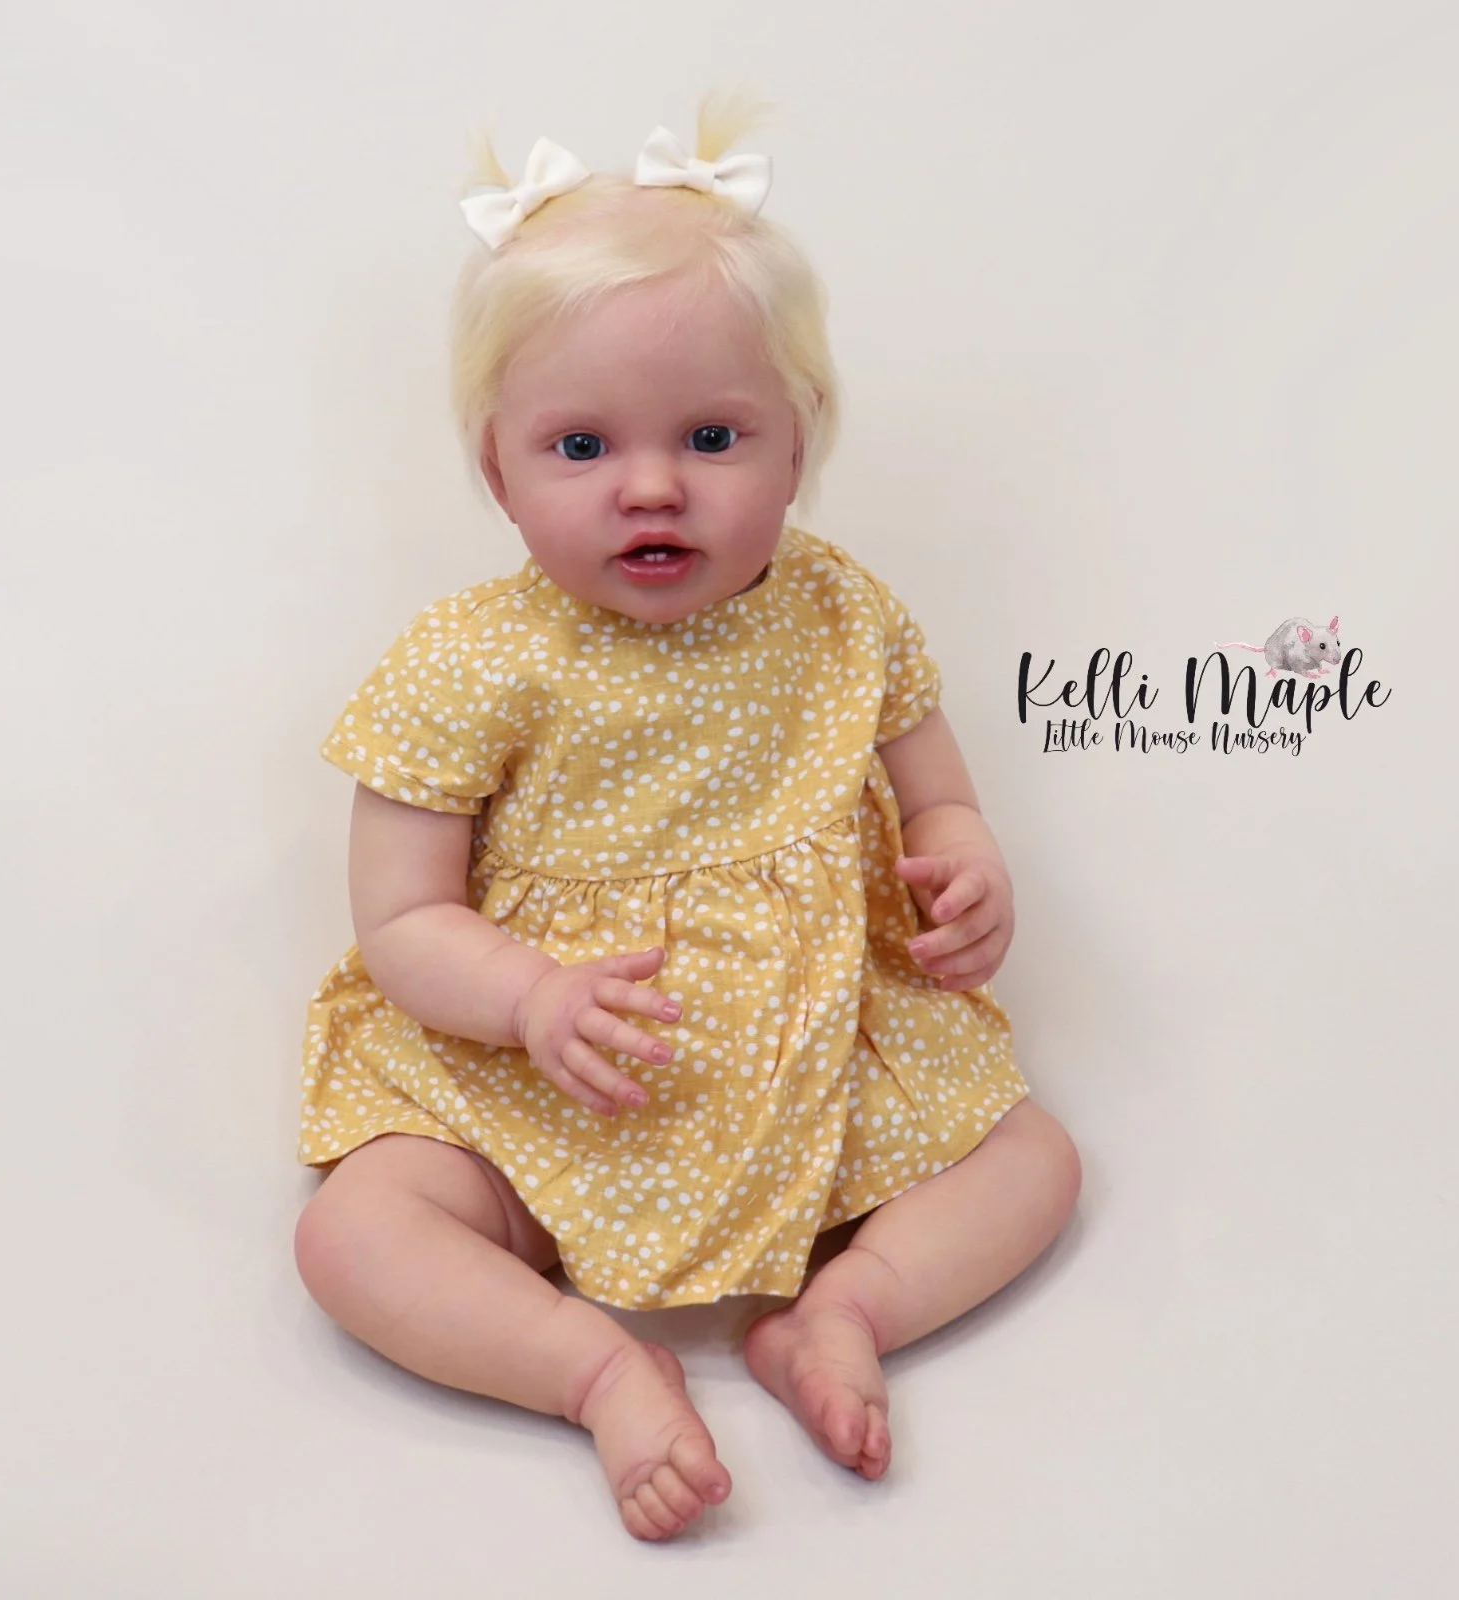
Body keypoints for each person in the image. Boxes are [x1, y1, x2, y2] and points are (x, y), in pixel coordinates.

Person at [291, 89, 1083, 1543]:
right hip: (552, 1085)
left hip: (813, 1051)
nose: (650, 487)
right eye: (580, 447)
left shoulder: (841, 613)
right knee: (355, 1234)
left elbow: (940, 794)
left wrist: (966, 865)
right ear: (498, 471)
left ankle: (842, 1310)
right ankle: (593, 1368)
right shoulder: (471, 660)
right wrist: (529, 1000)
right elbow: (401, 918)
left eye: (713, 436)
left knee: (1034, 1164)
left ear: (798, 447)